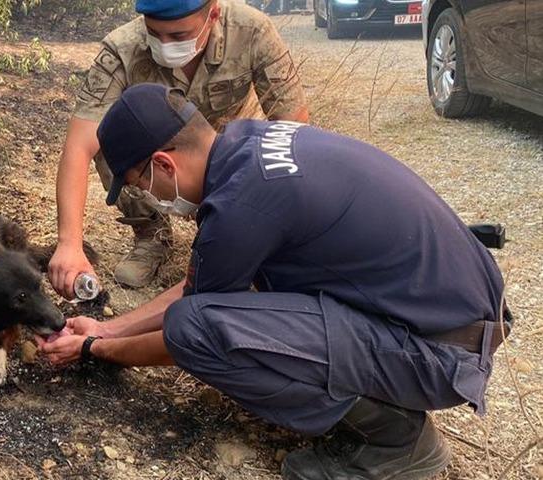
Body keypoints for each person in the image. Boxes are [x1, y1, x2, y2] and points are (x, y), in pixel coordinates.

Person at [36, 84, 509, 479]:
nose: (149, 196)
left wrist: (93, 351)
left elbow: (186, 331)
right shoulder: (251, 148)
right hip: (456, 318)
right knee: (209, 312)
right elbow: (198, 288)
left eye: (141, 184)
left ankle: (395, 441)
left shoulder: (240, 207)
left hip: (443, 353)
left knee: (192, 329)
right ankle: (384, 409)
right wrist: (106, 327)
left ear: (164, 163)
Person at [48, 0, 308, 295]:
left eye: (179, 36)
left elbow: (292, 130)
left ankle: (236, 234)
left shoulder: (253, 30)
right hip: (163, 150)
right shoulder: (123, 47)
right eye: (155, 33)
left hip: (230, 152)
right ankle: (151, 235)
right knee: (111, 143)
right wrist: (69, 244)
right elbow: (79, 145)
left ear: (212, 14)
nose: (165, 44)